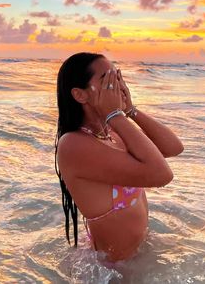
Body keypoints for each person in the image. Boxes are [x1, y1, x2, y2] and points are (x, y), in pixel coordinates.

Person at [55, 52, 184, 262]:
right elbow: (161, 174)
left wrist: (129, 110)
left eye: (118, 77)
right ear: (80, 95)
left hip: (138, 258)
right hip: (111, 273)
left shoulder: (113, 133)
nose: (117, 85)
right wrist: (115, 115)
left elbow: (173, 148)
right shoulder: (73, 144)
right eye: (108, 80)